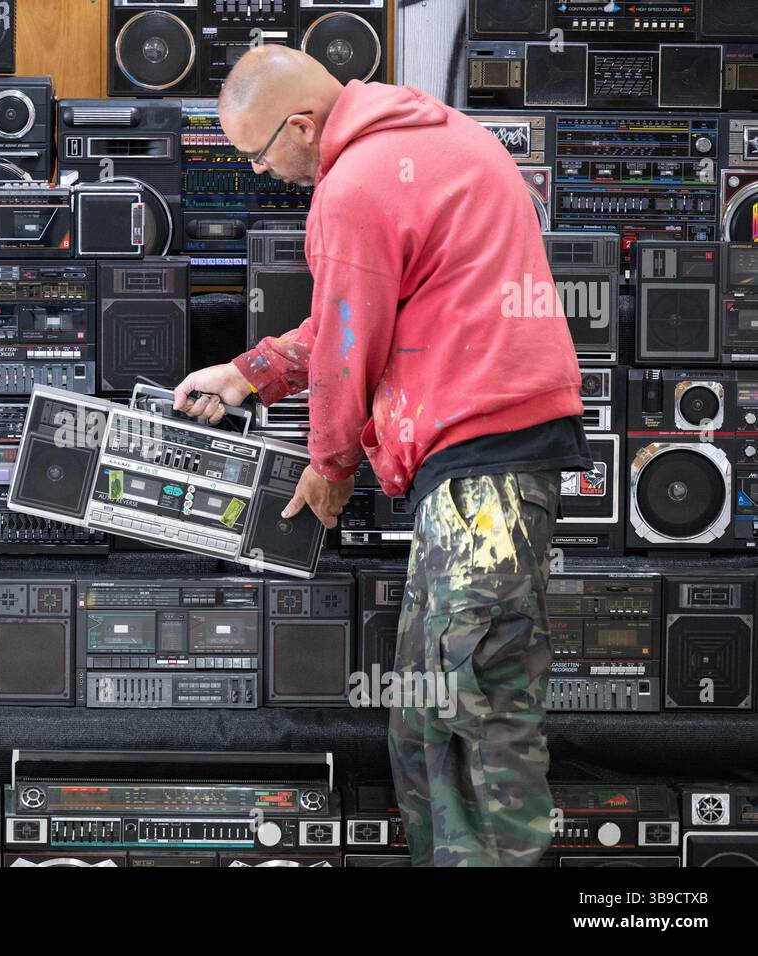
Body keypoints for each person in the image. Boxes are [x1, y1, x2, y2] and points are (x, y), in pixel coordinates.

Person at [172, 45, 594, 866]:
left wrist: (330, 469)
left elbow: (345, 356)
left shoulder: (355, 184)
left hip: (485, 466)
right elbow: (354, 316)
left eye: (260, 157)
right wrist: (248, 373)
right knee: (424, 711)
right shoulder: (437, 140)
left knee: (479, 708)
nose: (269, 174)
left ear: (301, 125)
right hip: (480, 467)